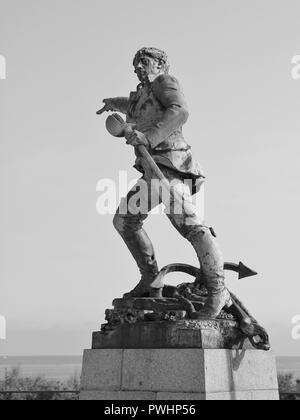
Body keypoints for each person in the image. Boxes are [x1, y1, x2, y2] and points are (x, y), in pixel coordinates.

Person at [100, 47, 232, 318]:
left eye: (144, 62)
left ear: (160, 64)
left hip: (170, 166)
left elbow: (179, 110)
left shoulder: (164, 82)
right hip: (151, 171)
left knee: (191, 226)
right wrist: (115, 103)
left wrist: (149, 137)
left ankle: (219, 291)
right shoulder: (142, 94)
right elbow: (137, 106)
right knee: (124, 221)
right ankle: (149, 279)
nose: (138, 67)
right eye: (135, 64)